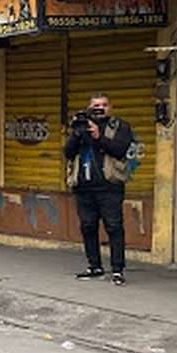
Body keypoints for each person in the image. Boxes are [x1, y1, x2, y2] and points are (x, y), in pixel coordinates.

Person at [63, 92, 136, 286]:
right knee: (88, 227)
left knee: (114, 227)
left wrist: (98, 136)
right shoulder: (81, 125)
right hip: (84, 187)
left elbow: (120, 149)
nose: (99, 108)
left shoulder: (119, 126)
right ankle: (94, 266)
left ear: (109, 108)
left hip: (109, 186)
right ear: (89, 108)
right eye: (95, 105)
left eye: (103, 105)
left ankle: (118, 269)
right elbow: (68, 153)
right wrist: (77, 134)